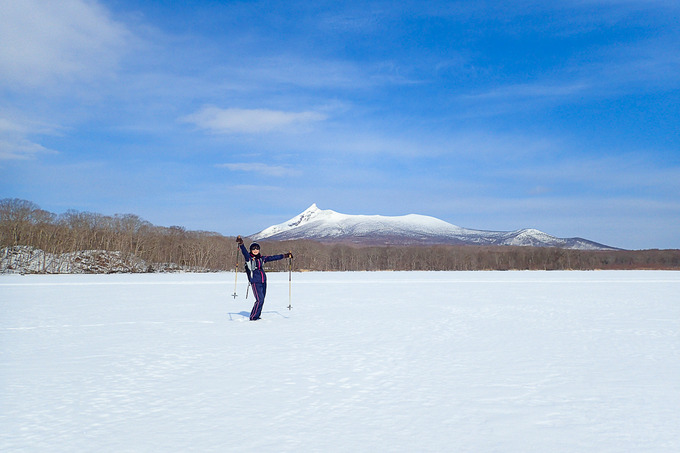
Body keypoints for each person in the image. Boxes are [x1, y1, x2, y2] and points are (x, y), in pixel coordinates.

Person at [236, 236, 293, 321]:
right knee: (259, 300)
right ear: (251, 250)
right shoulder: (249, 259)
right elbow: (244, 252)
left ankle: (257, 315)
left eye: (257, 249)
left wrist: (285, 256)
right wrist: (241, 244)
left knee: (262, 300)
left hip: (263, 281)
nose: (255, 250)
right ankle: (253, 317)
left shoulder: (262, 258)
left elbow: (273, 257)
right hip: (255, 281)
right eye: (253, 249)